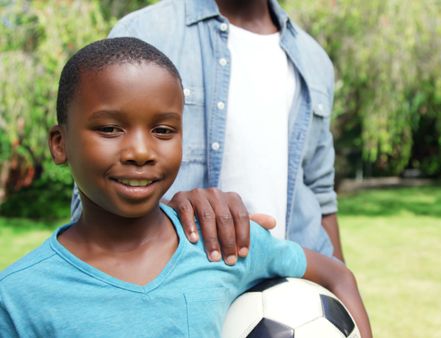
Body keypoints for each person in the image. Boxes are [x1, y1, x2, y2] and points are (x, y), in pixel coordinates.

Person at [0, 37, 371, 337]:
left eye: (163, 130)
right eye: (110, 129)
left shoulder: (222, 244)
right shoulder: (18, 296)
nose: (141, 152)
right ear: (59, 143)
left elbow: (337, 274)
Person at [70, 0, 345, 265]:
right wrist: (173, 214)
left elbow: (321, 194)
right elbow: (92, 202)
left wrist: (340, 297)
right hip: (183, 289)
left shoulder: (313, 59)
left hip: (293, 290)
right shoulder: (146, 33)